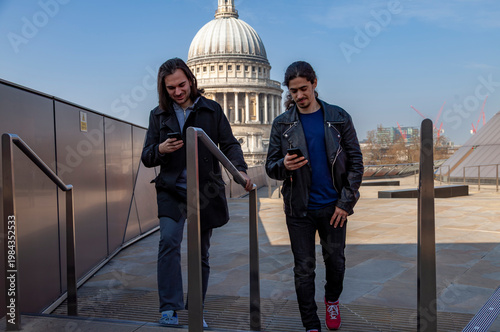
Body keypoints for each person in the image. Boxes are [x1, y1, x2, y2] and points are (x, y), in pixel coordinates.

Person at [141, 57, 253, 327]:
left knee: (200, 253)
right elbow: (147, 156)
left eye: (181, 85)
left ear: (191, 80)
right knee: (168, 243)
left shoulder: (212, 110)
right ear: (163, 89)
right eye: (170, 88)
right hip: (172, 190)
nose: (177, 92)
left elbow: (229, 144)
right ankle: (169, 307)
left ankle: (196, 309)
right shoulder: (158, 115)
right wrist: (160, 150)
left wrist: (240, 171)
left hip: (203, 191)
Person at [265, 61, 363, 331]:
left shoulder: (339, 117)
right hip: (299, 210)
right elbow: (270, 167)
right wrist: (283, 166)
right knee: (303, 269)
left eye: (304, 89)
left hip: (334, 208)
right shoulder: (282, 123)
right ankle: (311, 323)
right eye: (294, 91)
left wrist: (345, 203)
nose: (299, 96)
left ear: (315, 84)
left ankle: (332, 299)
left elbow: (356, 162)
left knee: (336, 264)